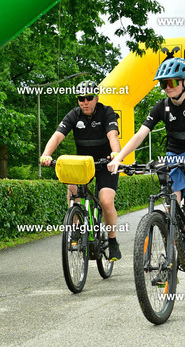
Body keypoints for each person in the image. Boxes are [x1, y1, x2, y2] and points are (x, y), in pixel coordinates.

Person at [108, 57, 185, 240]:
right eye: (163, 84)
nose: (167, 87)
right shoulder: (161, 107)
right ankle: (175, 243)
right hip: (174, 154)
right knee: (171, 206)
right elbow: (140, 135)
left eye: (172, 82)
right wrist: (118, 158)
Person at [40, 80, 122, 261]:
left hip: (106, 163)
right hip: (84, 164)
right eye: (81, 98)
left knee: (106, 201)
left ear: (96, 98)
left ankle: (112, 240)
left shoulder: (106, 112)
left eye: (89, 98)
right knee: (72, 189)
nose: (85, 102)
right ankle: (76, 228)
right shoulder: (74, 115)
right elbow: (57, 136)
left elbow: (113, 135)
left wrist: (116, 154)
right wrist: (46, 154)